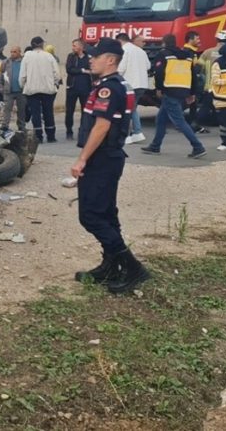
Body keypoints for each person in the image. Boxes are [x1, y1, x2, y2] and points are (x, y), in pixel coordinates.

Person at [71, 37, 150, 294]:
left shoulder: (109, 88)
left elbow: (102, 126)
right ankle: (111, 265)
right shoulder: (114, 84)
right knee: (105, 214)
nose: (90, 59)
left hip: (102, 158)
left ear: (110, 60)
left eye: (95, 55)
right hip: (109, 157)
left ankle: (132, 268)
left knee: (91, 215)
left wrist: (82, 159)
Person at [141, 34, 206, 159]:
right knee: (161, 119)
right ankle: (155, 146)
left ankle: (198, 147)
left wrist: (159, 88)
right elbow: (193, 75)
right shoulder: (187, 56)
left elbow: (159, 73)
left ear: (164, 43)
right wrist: (192, 93)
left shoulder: (163, 54)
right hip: (183, 90)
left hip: (170, 90)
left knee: (179, 121)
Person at [19, 36, 61, 143]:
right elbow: (57, 74)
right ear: (42, 45)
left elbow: (22, 75)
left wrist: (22, 85)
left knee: (35, 113)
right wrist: (55, 83)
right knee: (48, 112)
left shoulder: (27, 57)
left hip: (32, 90)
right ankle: (51, 136)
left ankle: (38, 137)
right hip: (48, 89)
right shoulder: (49, 56)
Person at [115, 33, 150, 144]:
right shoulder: (141, 51)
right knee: (132, 108)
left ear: (120, 41)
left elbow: (121, 68)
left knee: (126, 109)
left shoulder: (125, 50)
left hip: (129, 84)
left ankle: (128, 134)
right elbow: (148, 66)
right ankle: (137, 132)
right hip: (142, 84)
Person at [64, 39, 92, 141]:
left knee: (85, 111)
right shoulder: (71, 57)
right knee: (69, 111)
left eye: (75, 46)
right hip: (72, 88)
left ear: (81, 47)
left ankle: (82, 131)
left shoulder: (89, 57)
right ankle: (69, 131)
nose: (73, 48)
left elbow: (92, 70)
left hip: (85, 88)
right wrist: (83, 70)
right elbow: (69, 69)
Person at [183, 31, 208, 133]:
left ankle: (192, 125)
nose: (199, 41)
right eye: (197, 39)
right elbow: (191, 69)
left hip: (190, 81)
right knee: (191, 103)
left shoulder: (190, 51)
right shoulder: (188, 52)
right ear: (191, 39)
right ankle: (191, 125)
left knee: (192, 104)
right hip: (190, 82)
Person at [0, 46, 26, 133]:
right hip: (8, 91)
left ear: (19, 52)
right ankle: (5, 126)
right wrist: (1, 88)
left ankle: (21, 126)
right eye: (11, 52)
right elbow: (1, 76)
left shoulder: (24, 62)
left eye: (15, 52)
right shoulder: (6, 62)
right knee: (7, 109)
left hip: (21, 91)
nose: (12, 54)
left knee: (21, 109)